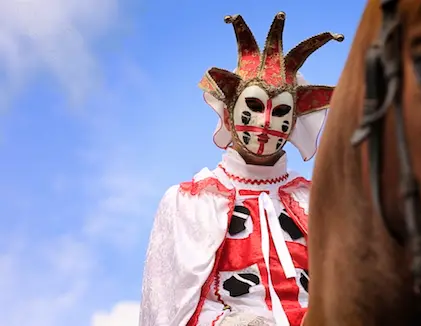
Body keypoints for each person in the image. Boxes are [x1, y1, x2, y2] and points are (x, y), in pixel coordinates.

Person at [138, 11, 343, 326]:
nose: (265, 123)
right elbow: (168, 308)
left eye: (281, 112)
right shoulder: (190, 202)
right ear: (230, 110)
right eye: (255, 107)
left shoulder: (315, 201)